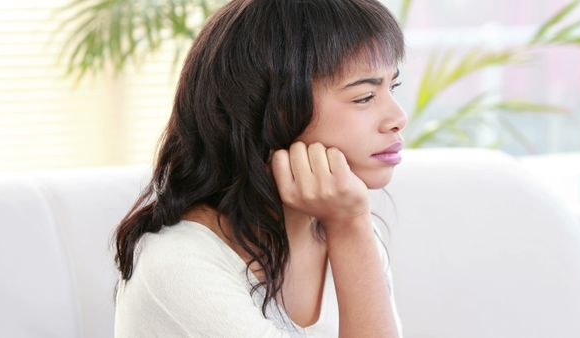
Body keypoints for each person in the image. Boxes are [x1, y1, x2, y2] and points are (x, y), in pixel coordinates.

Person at [113, 0, 407, 337]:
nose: (398, 118)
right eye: (365, 97)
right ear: (272, 111)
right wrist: (350, 226)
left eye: (392, 87)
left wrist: (351, 228)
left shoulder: (347, 225)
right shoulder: (179, 261)